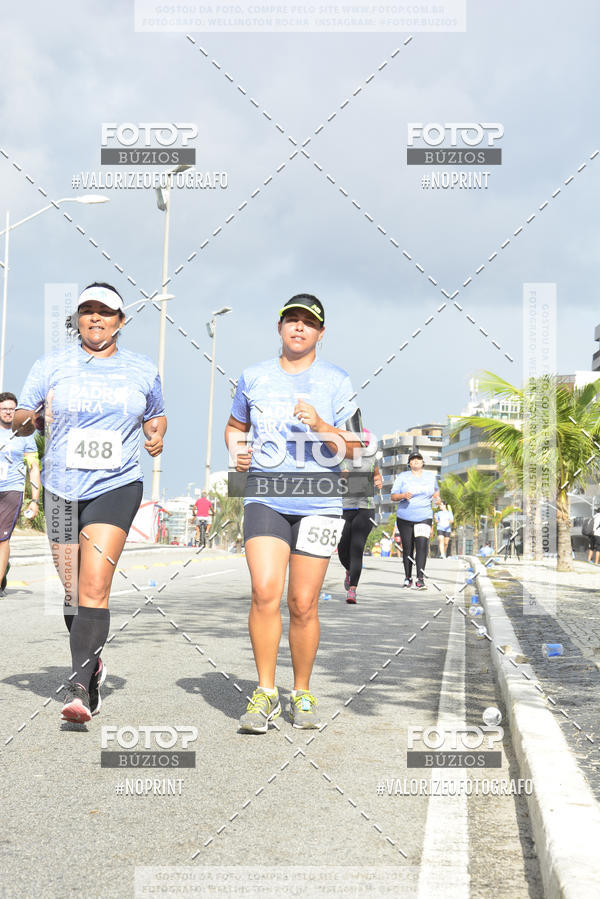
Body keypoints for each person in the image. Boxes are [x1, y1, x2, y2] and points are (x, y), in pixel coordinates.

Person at [13, 282, 166, 724]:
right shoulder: (51, 365)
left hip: (117, 484)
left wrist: (156, 435)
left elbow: (156, 414)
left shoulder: (141, 368)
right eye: (87, 311)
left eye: (106, 312)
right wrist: (32, 418)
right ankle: (93, 661)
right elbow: (24, 418)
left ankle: (81, 686)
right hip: (62, 488)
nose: (96, 318)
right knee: (72, 590)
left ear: (120, 321)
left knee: (94, 585)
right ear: (76, 319)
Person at [225, 293, 360, 733]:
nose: (299, 328)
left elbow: (356, 447)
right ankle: (265, 691)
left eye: (308, 323)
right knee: (265, 591)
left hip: (320, 500)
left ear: (321, 333)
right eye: (291, 320)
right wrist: (237, 451)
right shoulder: (253, 377)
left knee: (302, 602)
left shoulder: (338, 381)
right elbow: (235, 427)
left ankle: (301, 692)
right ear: (279, 327)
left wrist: (322, 425)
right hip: (264, 493)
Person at [0, 392, 41, 595]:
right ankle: (3, 568)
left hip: (11, 490)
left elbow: (33, 467)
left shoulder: (25, 435)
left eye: (12, 409)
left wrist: (34, 500)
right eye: (4, 408)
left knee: (2, 539)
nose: (8, 412)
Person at [337, 429, 382, 604]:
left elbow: (377, 476)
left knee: (357, 548)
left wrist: (378, 481)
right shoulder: (340, 458)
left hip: (365, 508)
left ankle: (353, 590)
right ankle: (349, 570)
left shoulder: (372, 459)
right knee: (342, 549)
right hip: (344, 509)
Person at [391, 452, 440, 589]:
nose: (416, 461)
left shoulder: (431, 477)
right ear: (409, 464)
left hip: (424, 516)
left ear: (423, 462)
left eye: (418, 459)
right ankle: (407, 577)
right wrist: (403, 495)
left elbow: (436, 491)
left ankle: (420, 578)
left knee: (422, 546)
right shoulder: (402, 477)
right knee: (408, 548)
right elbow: (393, 496)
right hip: (405, 517)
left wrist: (437, 500)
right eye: (413, 460)